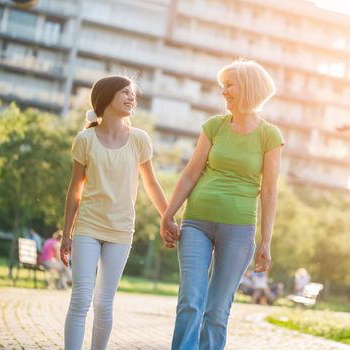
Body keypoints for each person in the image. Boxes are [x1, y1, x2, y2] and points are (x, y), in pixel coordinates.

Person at [162, 59, 284, 350]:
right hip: (196, 223)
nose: (223, 91)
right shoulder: (214, 126)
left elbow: (268, 192)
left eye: (229, 85)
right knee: (190, 300)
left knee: (216, 311)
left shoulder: (269, 135)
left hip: (239, 230)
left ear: (249, 88)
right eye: (223, 85)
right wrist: (168, 214)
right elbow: (191, 173)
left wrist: (266, 242)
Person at [60, 75, 171, 350]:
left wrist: (168, 217)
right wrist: (67, 234)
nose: (131, 98)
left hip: (121, 231)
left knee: (104, 303)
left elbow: (152, 184)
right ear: (106, 98)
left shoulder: (139, 140)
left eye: (132, 93)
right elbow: (75, 189)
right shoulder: (85, 140)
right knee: (81, 298)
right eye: (124, 92)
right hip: (87, 226)